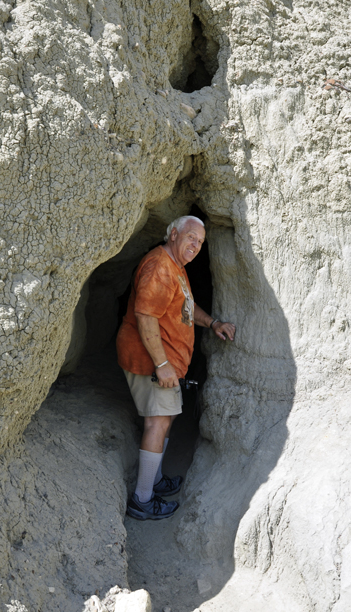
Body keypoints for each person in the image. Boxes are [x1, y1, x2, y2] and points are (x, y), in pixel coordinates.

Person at [116, 215, 236, 520]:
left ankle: (153, 480)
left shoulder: (175, 267)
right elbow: (145, 316)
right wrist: (163, 364)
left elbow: (184, 307)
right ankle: (142, 500)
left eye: (200, 241)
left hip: (164, 363)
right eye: (190, 237)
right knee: (157, 423)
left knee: (165, 418)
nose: (195, 245)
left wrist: (213, 323)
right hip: (151, 362)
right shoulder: (159, 266)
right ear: (173, 234)